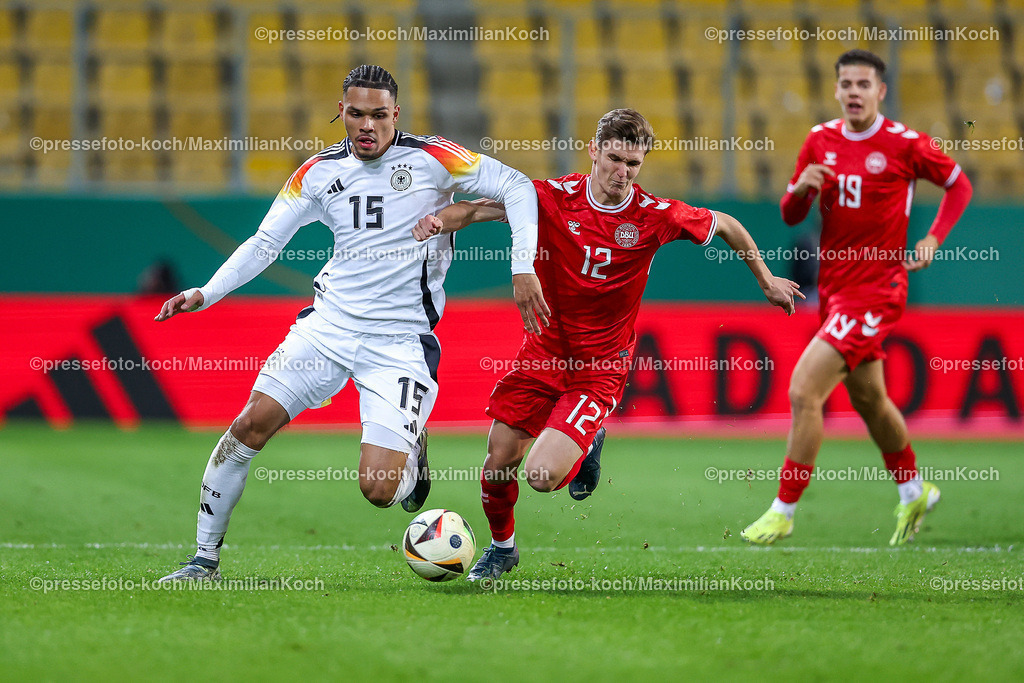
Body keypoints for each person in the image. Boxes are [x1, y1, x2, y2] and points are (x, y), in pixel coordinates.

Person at [154, 64, 547, 581]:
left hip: (400, 342)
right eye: (357, 114)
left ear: (395, 115)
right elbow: (265, 243)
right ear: (341, 112)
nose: (367, 125)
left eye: (379, 115)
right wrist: (205, 293)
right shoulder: (315, 173)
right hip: (328, 327)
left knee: (379, 490)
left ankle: (412, 460)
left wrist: (523, 266)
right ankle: (203, 560)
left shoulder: (435, 158)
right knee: (248, 426)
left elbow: (519, 187)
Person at [413, 109, 803, 580]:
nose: (622, 173)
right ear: (594, 150)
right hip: (542, 353)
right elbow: (477, 209)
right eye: (615, 159)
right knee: (497, 462)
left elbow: (726, 224)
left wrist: (765, 279)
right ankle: (503, 548)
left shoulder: (655, 216)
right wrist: (437, 220)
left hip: (600, 368)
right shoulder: (552, 198)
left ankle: (588, 437)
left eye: (633, 164)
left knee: (540, 476)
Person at [741, 49, 972, 546]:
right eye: (845, 83)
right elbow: (787, 213)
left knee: (804, 392)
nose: (853, 92)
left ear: (880, 91)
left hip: (878, 289)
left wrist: (933, 238)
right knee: (871, 399)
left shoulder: (904, 144)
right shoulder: (819, 141)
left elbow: (958, 185)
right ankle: (914, 490)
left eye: (863, 84)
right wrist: (801, 188)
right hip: (835, 289)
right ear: (836, 89)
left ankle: (783, 509)